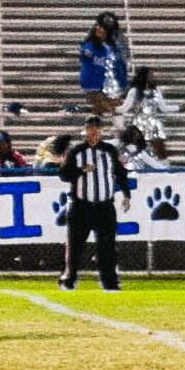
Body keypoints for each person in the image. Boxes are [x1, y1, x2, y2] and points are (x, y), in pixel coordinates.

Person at [55, 110, 131, 291]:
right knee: (75, 246)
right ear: (86, 131)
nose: (93, 132)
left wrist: (127, 194)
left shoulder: (109, 150)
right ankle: (69, 277)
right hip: (82, 206)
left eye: (96, 129)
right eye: (90, 129)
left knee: (107, 247)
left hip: (104, 206)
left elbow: (120, 174)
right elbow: (64, 175)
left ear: (101, 130)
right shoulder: (77, 151)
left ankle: (109, 281)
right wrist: (81, 170)